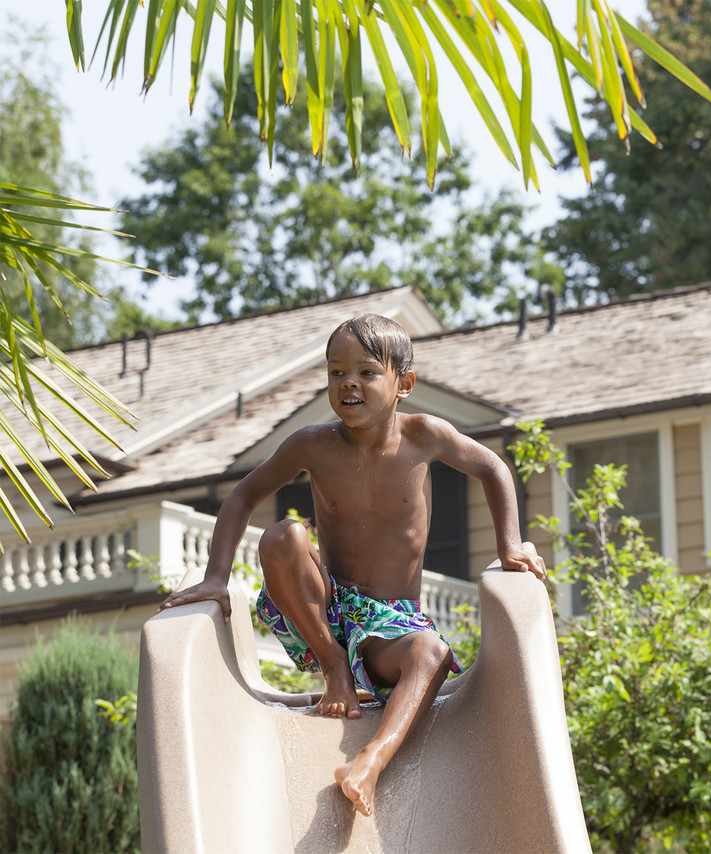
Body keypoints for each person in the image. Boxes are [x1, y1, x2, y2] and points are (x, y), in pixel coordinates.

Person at [157, 313, 546, 817]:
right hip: (328, 608)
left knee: (431, 652)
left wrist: (510, 544)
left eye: (366, 372)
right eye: (336, 373)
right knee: (284, 537)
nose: (349, 384)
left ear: (403, 383)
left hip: (392, 624)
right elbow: (242, 497)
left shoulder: (425, 435)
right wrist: (215, 579)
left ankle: (369, 761)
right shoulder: (313, 444)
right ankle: (334, 667)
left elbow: (492, 466)